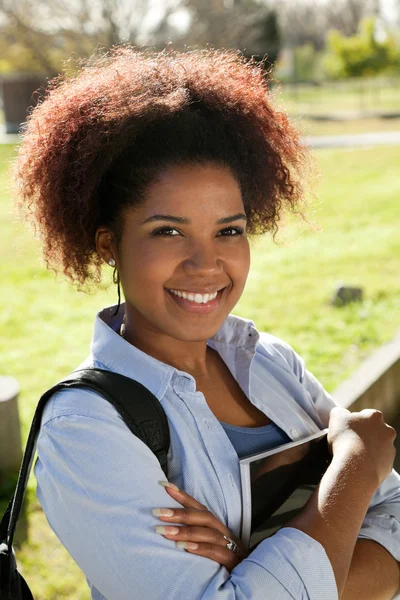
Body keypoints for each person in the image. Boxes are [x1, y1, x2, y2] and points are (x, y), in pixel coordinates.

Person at [13, 46, 400, 600]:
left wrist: (253, 567)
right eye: (168, 231)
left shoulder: (269, 360)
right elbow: (373, 505)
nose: (206, 264)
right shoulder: (85, 429)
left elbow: (397, 521)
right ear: (108, 244)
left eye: (229, 230)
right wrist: (354, 474)